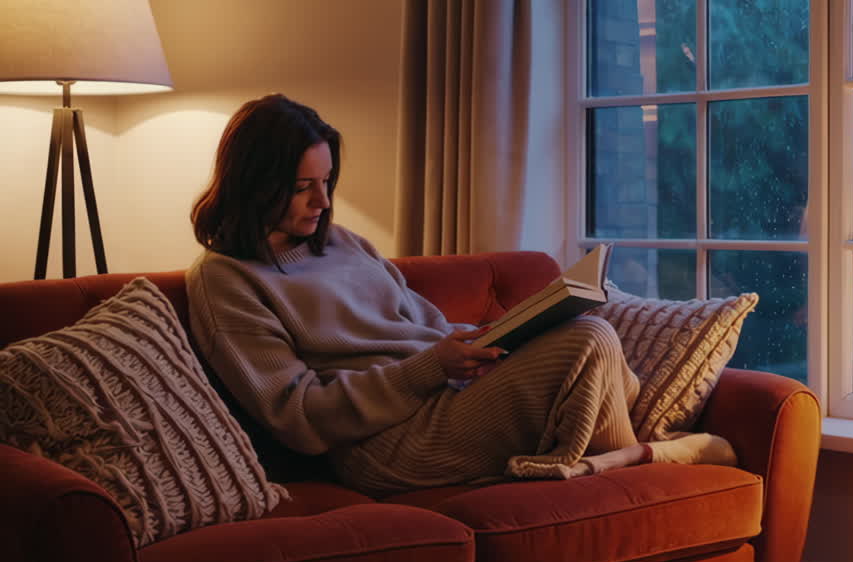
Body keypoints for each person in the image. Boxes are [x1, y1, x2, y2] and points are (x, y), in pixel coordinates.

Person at [185, 94, 734, 496]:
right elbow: (299, 416)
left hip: (447, 396)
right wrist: (428, 369)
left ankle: (611, 464)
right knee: (590, 339)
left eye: (327, 182)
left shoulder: (345, 244)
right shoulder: (227, 281)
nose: (323, 202)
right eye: (304, 187)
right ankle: (645, 459)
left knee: (583, 328)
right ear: (256, 184)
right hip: (384, 444)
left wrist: (491, 343)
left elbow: (426, 324)